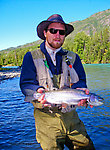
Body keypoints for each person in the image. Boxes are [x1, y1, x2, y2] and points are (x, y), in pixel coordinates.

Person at [20, 14, 95, 150]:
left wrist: (81, 90)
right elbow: (26, 84)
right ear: (45, 33)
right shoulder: (31, 57)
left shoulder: (74, 57)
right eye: (53, 31)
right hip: (46, 119)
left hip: (71, 116)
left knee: (86, 147)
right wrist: (37, 91)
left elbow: (81, 81)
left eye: (62, 32)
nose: (58, 35)